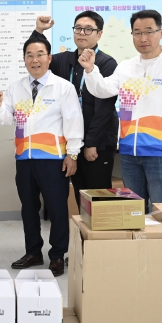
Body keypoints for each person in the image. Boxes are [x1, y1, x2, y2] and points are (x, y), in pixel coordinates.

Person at [80, 9, 162, 207]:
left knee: (161, 208)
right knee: (133, 210)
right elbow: (103, 90)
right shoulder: (126, 67)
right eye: (137, 32)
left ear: (160, 33)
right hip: (128, 152)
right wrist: (91, 69)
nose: (143, 38)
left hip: (160, 151)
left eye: (149, 31)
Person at [0, 36, 83, 276]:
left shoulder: (63, 87)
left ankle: (57, 255)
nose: (35, 60)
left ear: (49, 58)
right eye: (29, 55)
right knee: (28, 208)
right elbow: (6, 119)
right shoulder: (15, 87)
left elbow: (74, 122)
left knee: (57, 209)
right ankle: (33, 252)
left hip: (53, 159)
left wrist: (72, 154)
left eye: (40, 54)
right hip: (24, 158)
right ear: (24, 59)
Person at [31, 12, 118, 207]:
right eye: (78, 28)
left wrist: (91, 143)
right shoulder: (65, 60)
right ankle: (84, 228)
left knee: (98, 198)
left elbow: (105, 109)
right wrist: (39, 32)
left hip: (98, 142)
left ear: (99, 34)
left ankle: (100, 229)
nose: (82, 33)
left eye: (88, 29)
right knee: (81, 195)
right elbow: (38, 56)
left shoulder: (106, 63)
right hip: (72, 141)